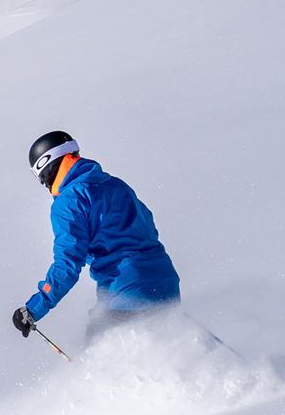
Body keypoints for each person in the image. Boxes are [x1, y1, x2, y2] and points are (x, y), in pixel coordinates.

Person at [11, 130, 180, 345]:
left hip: (125, 292)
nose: (45, 185)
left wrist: (33, 309)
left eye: (43, 177)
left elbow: (67, 264)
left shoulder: (69, 201)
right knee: (162, 351)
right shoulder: (117, 185)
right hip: (166, 284)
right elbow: (148, 228)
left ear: (50, 166)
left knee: (98, 347)